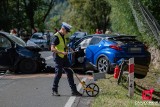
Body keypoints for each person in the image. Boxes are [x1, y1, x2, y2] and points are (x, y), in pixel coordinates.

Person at [50, 22, 82, 96]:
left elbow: (63, 45)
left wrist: (69, 48)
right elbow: (52, 49)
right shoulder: (56, 37)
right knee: (58, 73)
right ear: (63, 29)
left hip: (64, 58)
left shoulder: (63, 36)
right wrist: (61, 52)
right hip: (58, 57)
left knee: (70, 73)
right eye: (66, 31)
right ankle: (54, 90)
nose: (67, 33)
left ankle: (74, 91)